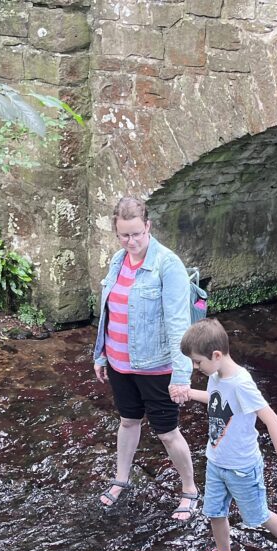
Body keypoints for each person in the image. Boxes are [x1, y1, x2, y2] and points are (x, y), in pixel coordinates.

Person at [92, 196, 201, 519]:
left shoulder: (168, 265)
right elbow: (108, 312)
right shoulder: (117, 260)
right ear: (116, 232)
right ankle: (121, 480)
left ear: (148, 227)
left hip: (156, 367)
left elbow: (179, 323)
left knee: (167, 432)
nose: (131, 241)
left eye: (137, 234)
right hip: (119, 362)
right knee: (128, 421)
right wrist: (100, 355)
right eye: (124, 235)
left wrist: (182, 377)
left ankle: (189, 489)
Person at [176, 318, 277, 551]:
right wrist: (189, 393)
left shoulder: (241, 383)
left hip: (243, 467)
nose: (194, 366)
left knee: (258, 516)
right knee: (214, 512)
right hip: (216, 461)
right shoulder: (216, 375)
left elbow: (272, 420)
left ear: (216, 354)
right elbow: (216, 400)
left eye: (197, 361)